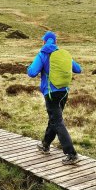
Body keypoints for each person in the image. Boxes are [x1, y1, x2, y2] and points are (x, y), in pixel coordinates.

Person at [27, 31, 82, 165]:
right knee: (55, 119)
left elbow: (32, 72)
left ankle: (71, 154)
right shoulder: (63, 54)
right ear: (56, 42)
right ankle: (45, 145)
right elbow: (78, 69)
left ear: (44, 42)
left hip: (51, 93)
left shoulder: (43, 54)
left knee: (57, 121)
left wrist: (29, 67)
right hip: (64, 92)